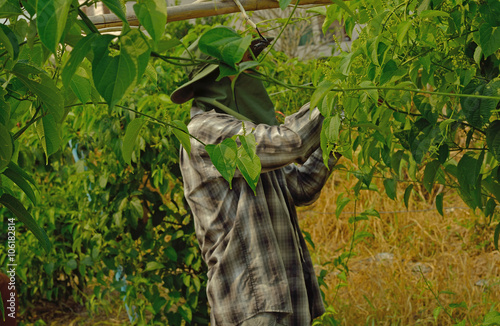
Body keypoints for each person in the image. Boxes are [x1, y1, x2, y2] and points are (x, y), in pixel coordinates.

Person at [171, 31, 340, 326]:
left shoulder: (249, 132)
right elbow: (293, 142)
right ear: (222, 76)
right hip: (251, 304)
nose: (257, 72)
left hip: (283, 295)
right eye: (248, 64)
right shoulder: (205, 131)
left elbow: (301, 187)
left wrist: (337, 133)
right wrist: (339, 98)